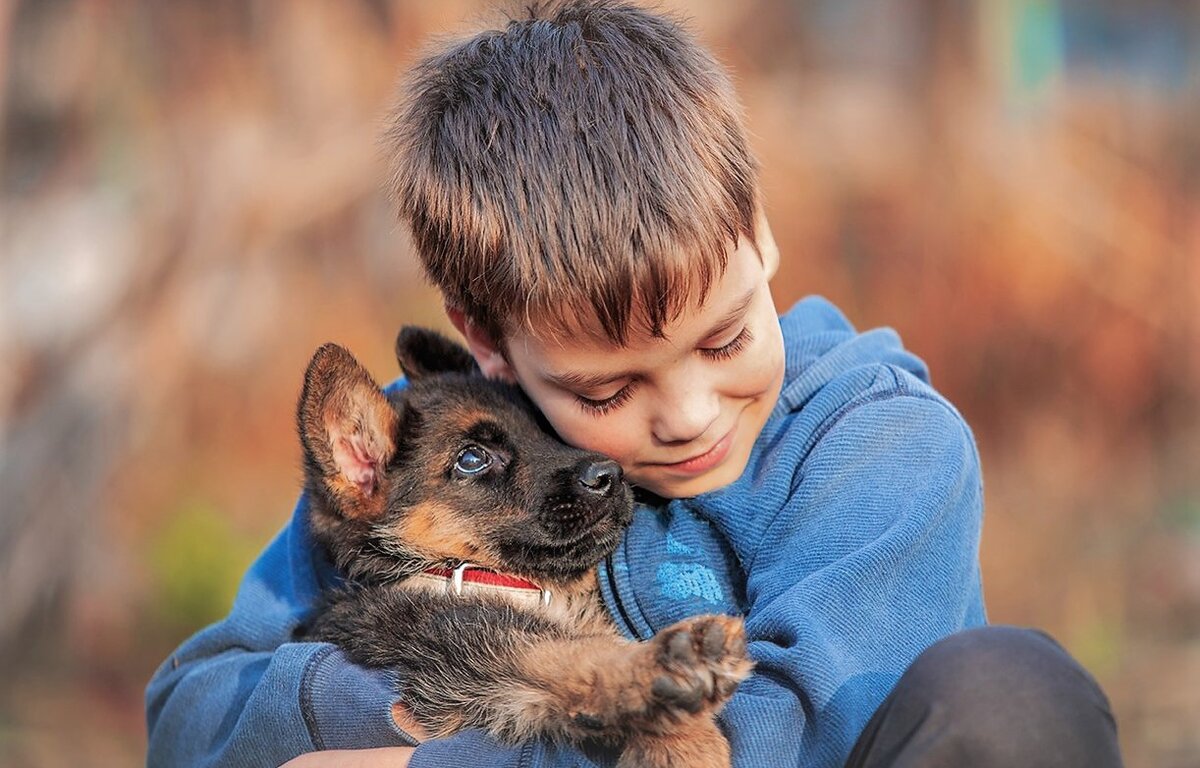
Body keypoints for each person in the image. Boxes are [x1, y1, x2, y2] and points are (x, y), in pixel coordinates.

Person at [145, 2, 1123, 766]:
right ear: (489, 345)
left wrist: (427, 763)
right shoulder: (444, 455)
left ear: (760, 236)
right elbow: (189, 717)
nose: (689, 415)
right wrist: (368, 694)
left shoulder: (881, 446)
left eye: (728, 336)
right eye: (606, 395)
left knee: (1012, 691)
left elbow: (769, 746)